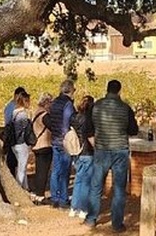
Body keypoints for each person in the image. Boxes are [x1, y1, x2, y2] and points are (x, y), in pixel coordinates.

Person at [85, 79, 139, 233]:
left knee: (96, 186)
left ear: (106, 89)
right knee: (119, 188)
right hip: (120, 150)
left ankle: (91, 219)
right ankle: (117, 224)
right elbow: (133, 130)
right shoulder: (125, 108)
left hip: (101, 150)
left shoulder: (96, 106)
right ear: (119, 91)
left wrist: (96, 144)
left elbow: (88, 129)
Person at [46, 79, 76, 209]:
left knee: (55, 170)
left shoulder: (54, 103)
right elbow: (67, 122)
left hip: (54, 139)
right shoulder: (67, 104)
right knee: (65, 171)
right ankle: (63, 199)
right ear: (71, 90)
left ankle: (54, 197)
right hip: (64, 140)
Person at [69, 95, 95, 219]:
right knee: (86, 181)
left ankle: (74, 207)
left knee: (78, 180)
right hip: (88, 152)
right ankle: (84, 209)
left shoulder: (74, 118)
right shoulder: (89, 120)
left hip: (77, 151)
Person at [30, 92, 54, 202]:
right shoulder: (44, 115)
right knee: (43, 171)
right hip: (45, 145)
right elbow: (52, 127)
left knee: (39, 170)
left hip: (36, 145)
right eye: (51, 102)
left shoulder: (36, 112)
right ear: (47, 102)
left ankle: (37, 193)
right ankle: (40, 195)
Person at [11, 91, 33, 190]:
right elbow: (25, 131)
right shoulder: (23, 115)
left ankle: (25, 186)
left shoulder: (14, 113)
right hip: (22, 143)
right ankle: (19, 187)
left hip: (14, 143)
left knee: (22, 166)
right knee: (22, 167)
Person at [3, 86, 26, 177]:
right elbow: (9, 122)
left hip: (14, 135)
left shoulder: (12, 106)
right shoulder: (12, 107)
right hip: (13, 136)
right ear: (16, 95)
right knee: (13, 159)